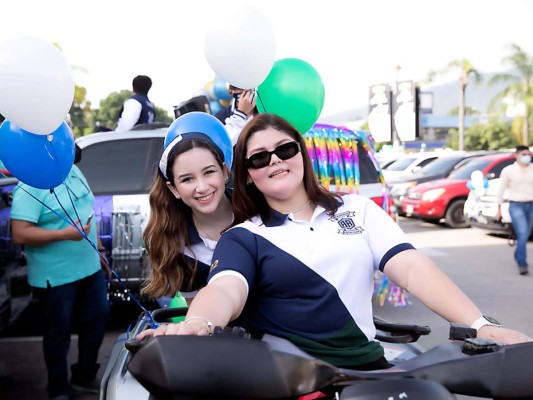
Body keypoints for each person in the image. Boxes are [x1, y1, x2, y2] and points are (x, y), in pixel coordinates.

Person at [138, 113, 531, 370]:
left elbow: (410, 267)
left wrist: (480, 325)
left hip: (369, 372)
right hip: (285, 377)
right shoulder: (243, 236)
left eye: (284, 149)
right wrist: (200, 323)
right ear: (247, 174)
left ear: (302, 155)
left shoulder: (357, 209)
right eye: (259, 158)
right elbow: (226, 288)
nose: (274, 160)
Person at [10, 161, 110, 399]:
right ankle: (58, 390)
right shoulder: (29, 184)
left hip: (90, 267)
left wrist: (101, 250)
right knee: (58, 334)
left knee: (97, 321)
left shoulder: (73, 170)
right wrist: (65, 234)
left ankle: (84, 377)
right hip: (55, 276)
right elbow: (20, 233)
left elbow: (88, 215)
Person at [141, 128, 233, 302]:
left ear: (224, 171)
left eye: (209, 172)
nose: (202, 187)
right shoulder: (177, 246)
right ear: (173, 188)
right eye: (187, 179)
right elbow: (201, 316)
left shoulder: (256, 209)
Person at [495, 145, 533, 276]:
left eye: (528, 154)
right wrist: (498, 209)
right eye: (524, 154)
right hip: (516, 205)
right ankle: (522, 264)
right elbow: (500, 190)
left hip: (531, 205)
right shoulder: (508, 170)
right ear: (516, 155)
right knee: (522, 233)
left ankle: (518, 254)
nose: (527, 157)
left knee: (525, 235)